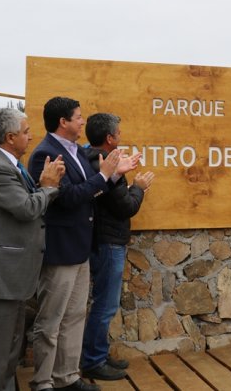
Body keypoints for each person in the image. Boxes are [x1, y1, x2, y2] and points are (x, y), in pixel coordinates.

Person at [28, 97, 138, 391]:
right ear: (63, 122)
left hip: (80, 248)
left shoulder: (75, 150)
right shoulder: (45, 154)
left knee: (75, 317)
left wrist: (114, 174)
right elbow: (68, 198)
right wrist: (105, 175)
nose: (82, 121)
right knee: (51, 321)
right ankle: (42, 383)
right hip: (60, 249)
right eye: (78, 117)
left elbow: (94, 189)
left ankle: (67, 377)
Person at [0, 108, 65, 391]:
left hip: (5, 281)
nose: (31, 137)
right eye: (26, 132)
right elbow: (27, 208)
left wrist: (42, 185)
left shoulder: (6, 163)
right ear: (9, 137)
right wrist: (49, 186)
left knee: (5, 359)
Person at [81, 113, 154, 380]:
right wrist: (139, 187)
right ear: (110, 138)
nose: (121, 136)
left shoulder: (91, 158)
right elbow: (124, 206)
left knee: (103, 303)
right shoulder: (103, 165)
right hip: (108, 242)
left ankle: (97, 353)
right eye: (119, 133)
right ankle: (93, 360)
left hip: (104, 240)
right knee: (105, 304)